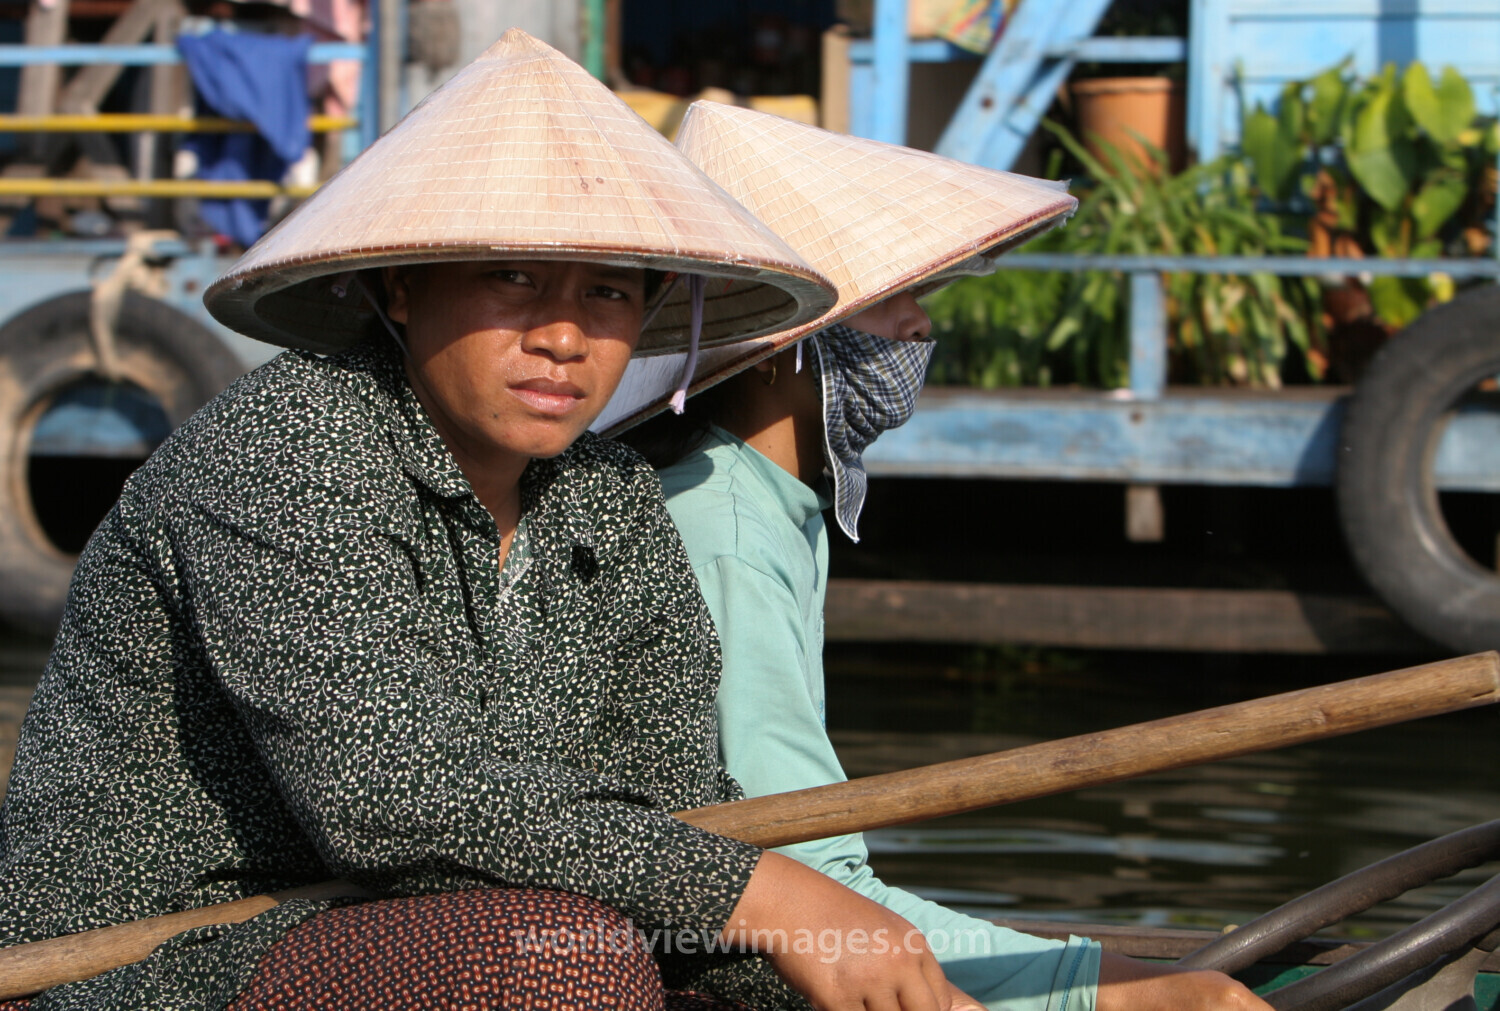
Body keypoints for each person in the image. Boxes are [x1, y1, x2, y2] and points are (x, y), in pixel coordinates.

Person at [0, 33, 990, 1011]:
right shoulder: (287, 443)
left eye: (607, 293)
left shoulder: (614, 502)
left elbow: (672, 812)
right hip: (156, 955)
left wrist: (839, 960)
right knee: (567, 956)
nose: (563, 336)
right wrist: (766, 894)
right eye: (513, 279)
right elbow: (394, 792)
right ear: (402, 284)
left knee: (776, 975)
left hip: (448, 926)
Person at [616, 102, 1275, 1011]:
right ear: (787, 336)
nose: (922, 328)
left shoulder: (776, 503)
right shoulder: (725, 528)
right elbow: (818, 886)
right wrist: (1101, 988)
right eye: (894, 299)